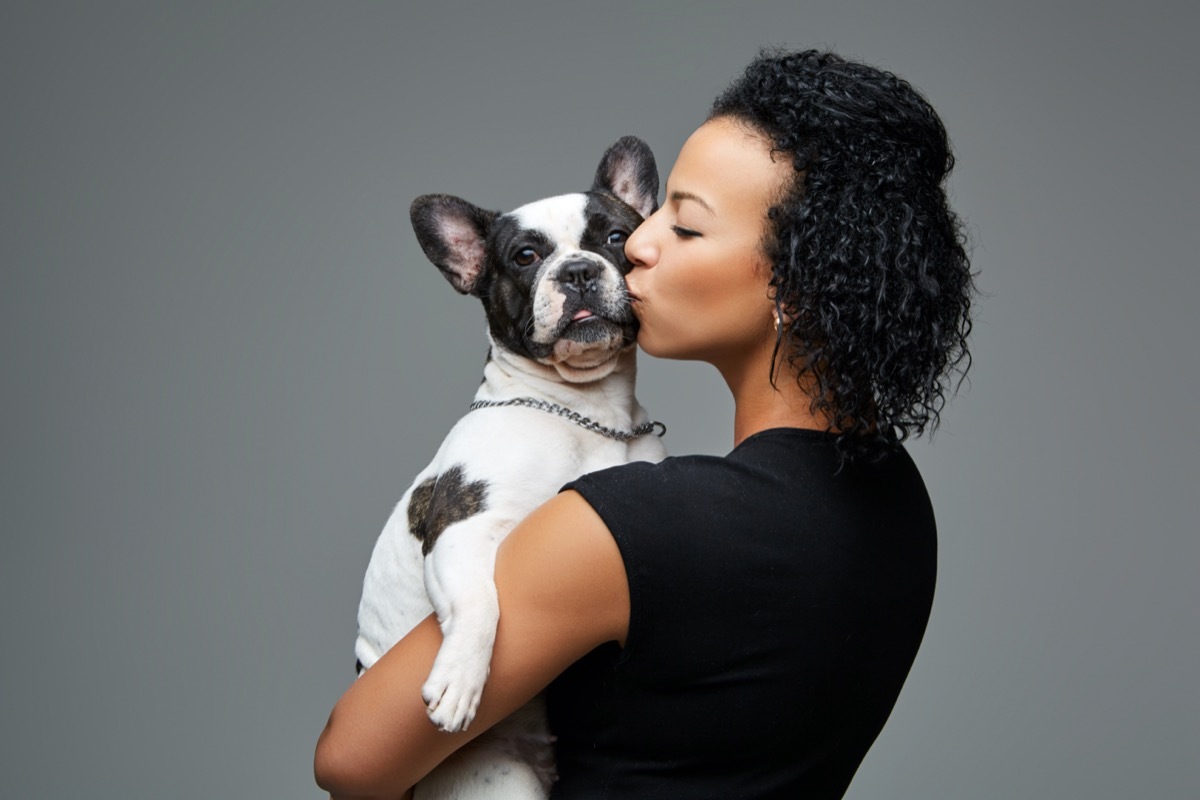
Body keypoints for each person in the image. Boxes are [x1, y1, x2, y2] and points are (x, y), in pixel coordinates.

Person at [315, 48, 973, 799]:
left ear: (796, 283)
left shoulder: (625, 524)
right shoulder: (899, 500)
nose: (637, 243)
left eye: (684, 226)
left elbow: (349, 759)